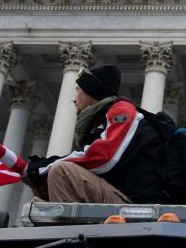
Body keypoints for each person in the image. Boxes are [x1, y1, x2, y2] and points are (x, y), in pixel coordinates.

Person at [24, 64, 166, 204]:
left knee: (61, 171)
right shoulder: (100, 121)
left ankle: (66, 226)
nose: (74, 99)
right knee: (40, 201)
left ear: (90, 91)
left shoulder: (122, 111)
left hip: (136, 204)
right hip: (119, 195)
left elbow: (104, 158)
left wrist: (41, 168)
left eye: (78, 90)